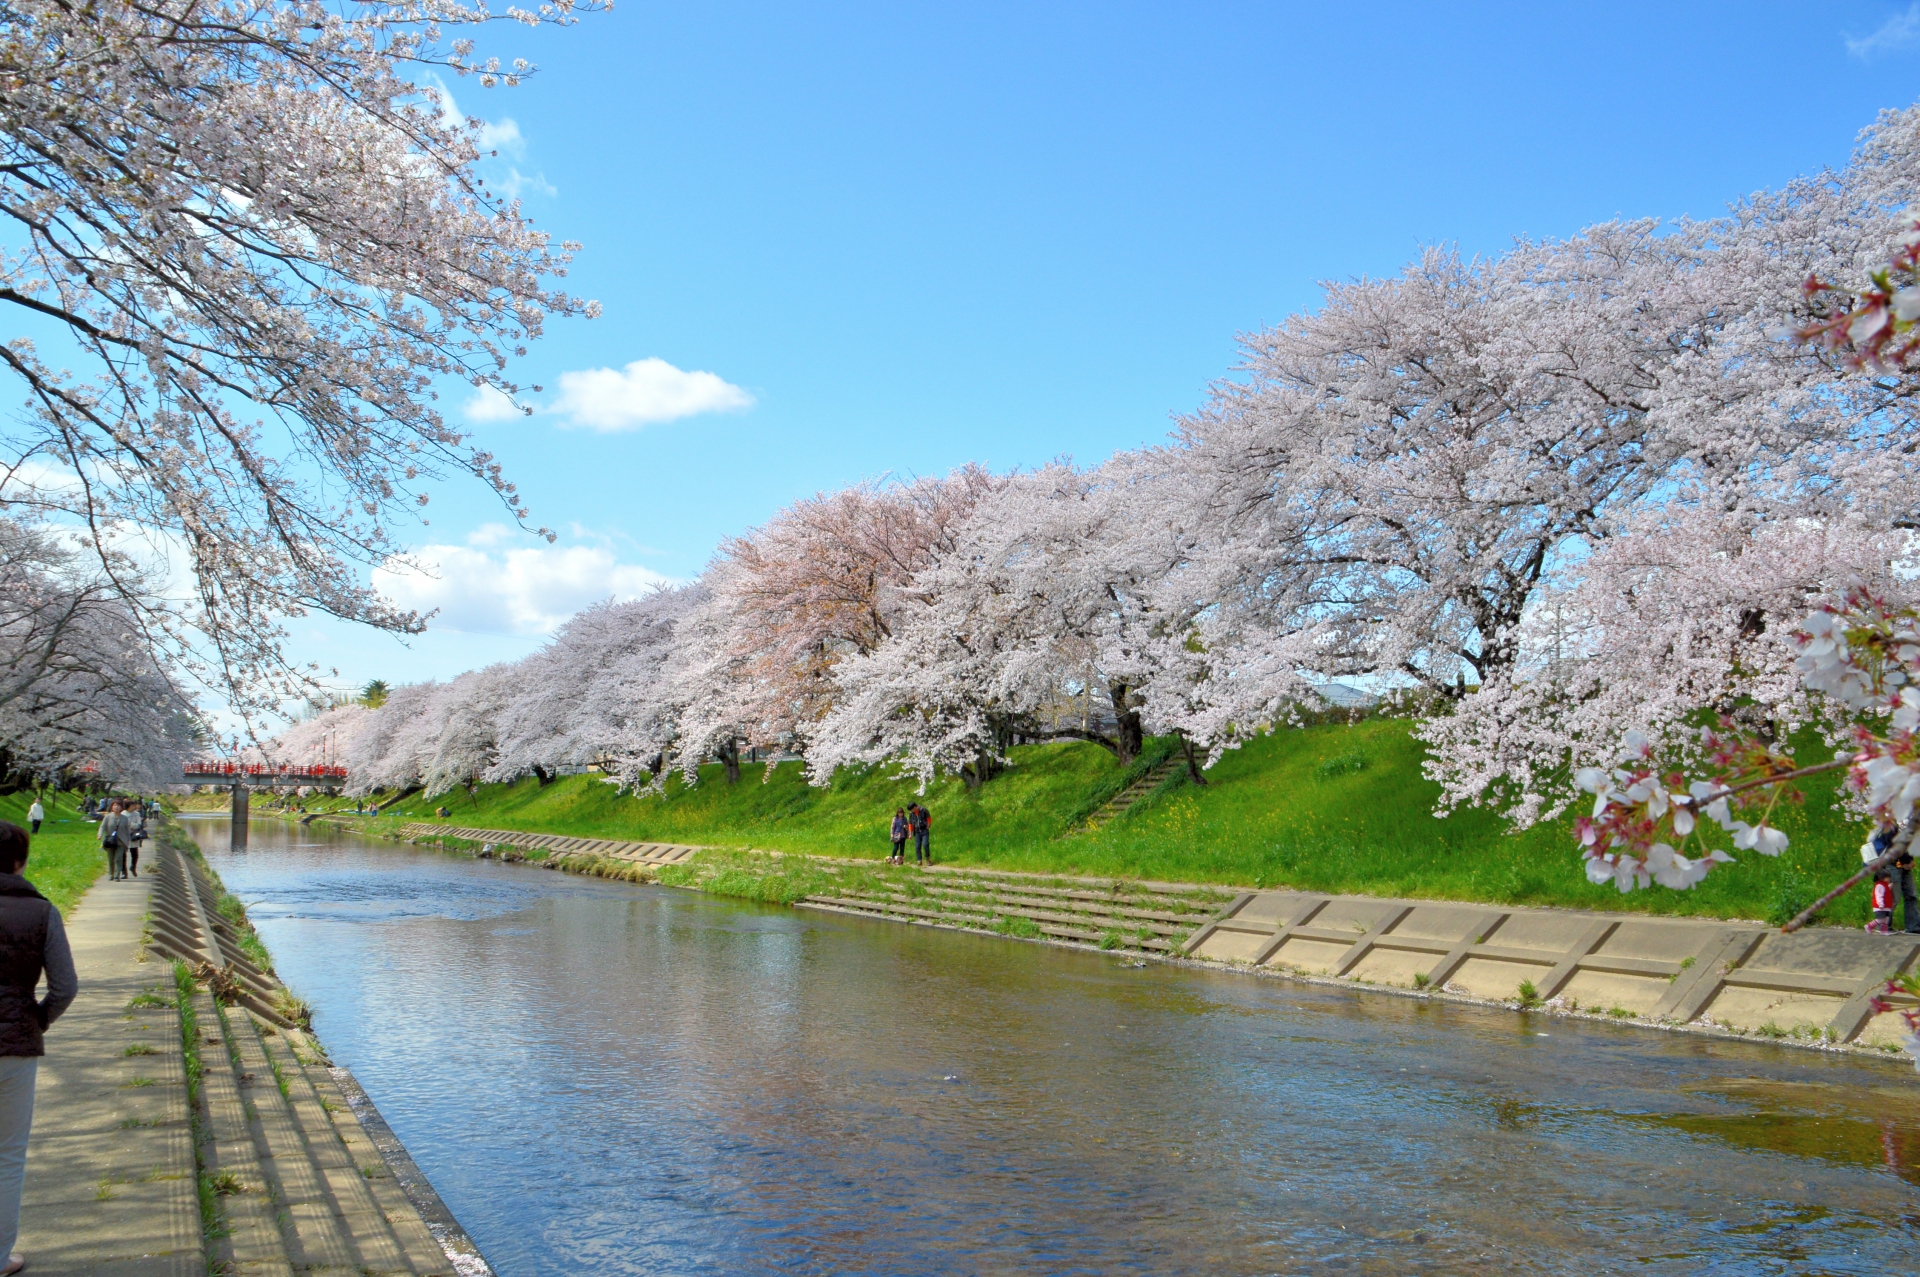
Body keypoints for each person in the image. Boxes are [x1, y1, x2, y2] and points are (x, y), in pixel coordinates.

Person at [0, 819, 75, 1275]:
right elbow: (65, 987)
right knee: (8, 1154)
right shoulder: (42, 911)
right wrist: (35, 1022)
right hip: (15, 1048)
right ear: (20, 862)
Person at [97, 799, 125, 881]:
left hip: (121, 842)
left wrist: (127, 841)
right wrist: (100, 834)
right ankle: (111, 874)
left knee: (118, 858)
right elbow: (102, 827)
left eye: (118, 806)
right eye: (114, 805)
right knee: (111, 858)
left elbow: (127, 830)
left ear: (121, 808)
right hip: (110, 841)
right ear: (112, 807)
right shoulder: (108, 817)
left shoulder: (124, 818)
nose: (116, 807)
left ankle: (117, 875)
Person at [125, 801, 148, 878]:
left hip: (134, 836)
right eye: (132, 806)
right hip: (124, 836)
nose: (134, 807)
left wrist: (130, 824)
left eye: (134, 806)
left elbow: (138, 825)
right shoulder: (123, 814)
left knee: (135, 854)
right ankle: (124, 872)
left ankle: (133, 867)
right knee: (123, 854)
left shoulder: (137, 814)